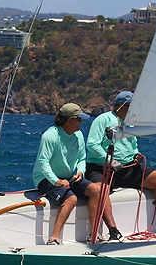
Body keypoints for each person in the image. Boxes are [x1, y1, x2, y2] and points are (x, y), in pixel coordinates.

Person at [86, 90, 156, 236]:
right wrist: (110, 161)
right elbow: (92, 145)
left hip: (128, 168)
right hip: (102, 168)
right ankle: (113, 230)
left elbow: (133, 144)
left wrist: (136, 154)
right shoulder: (103, 119)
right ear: (121, 106)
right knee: (100, 189)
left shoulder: (131, 123)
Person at [32, 102, 106, 245]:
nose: (81, 122)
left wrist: (80, 171)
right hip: (46, 178)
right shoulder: (50, 136)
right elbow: (43, 162)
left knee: (96, 190)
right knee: (71, 199)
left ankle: (94, 234)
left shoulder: (78, 135)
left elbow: (82, 158)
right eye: (78, 119)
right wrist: (56, 181)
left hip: (69, 177)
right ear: (69, 120)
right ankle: (54, 237)